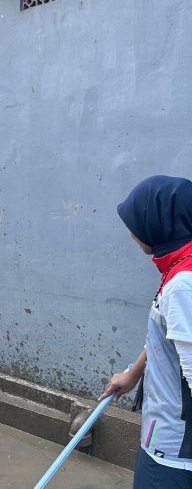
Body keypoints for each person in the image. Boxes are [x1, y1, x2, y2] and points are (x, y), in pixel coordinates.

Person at [99, 176, 192, 487]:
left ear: (160, 221)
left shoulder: (182, 285)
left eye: (136, 221)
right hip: (166, 440)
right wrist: (133, 373)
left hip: (173, 453)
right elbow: (171, 336)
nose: (131, 231)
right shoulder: (179, 266)